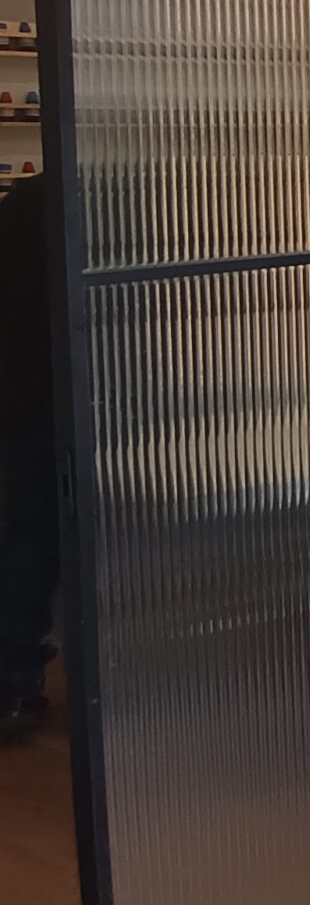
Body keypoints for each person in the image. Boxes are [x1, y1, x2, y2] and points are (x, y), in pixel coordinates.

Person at [0, 173, 57, 743]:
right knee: (36, 541)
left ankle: (16, 679)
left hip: (24, 398)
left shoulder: (23, 203)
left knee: (31, 541)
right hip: (54, 399)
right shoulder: (119, 202)